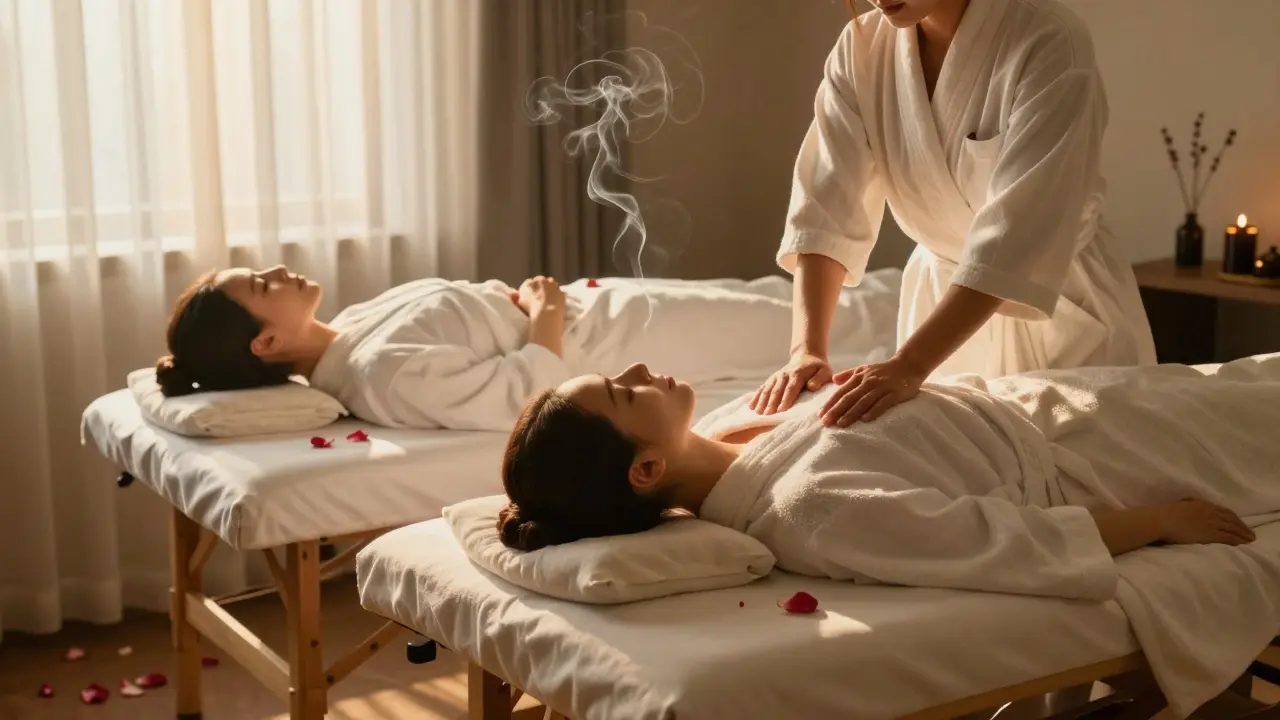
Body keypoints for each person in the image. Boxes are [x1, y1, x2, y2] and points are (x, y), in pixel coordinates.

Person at [497, 357, 1280, 600]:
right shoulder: (808, 512)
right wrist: (1160, 521)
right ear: (647, 470)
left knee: (1247, 379)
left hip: (1056, 398)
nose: (640, 370)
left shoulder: (733, 429)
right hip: (1107, 458)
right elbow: (1004, 544)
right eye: (624, 394)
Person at [751, 0, 1156, 429]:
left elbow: (1017, 234)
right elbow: (825, 207)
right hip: (939, 313)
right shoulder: (862, 50)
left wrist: (911, 363)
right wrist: (807, 351)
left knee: (1094, 479)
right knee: (954, 479)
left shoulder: (1049, 39)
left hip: (1058, 307)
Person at [153, 265, 901, 431]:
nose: (276, 270)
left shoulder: (356, 324)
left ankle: (956, 284)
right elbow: (521, 397)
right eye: (260, 282)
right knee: (834, 324)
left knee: (784, 301)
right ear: (267, 339)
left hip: (608, 307)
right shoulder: (382, 375)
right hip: (621, 338)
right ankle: (979, 301)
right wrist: (543, 313)